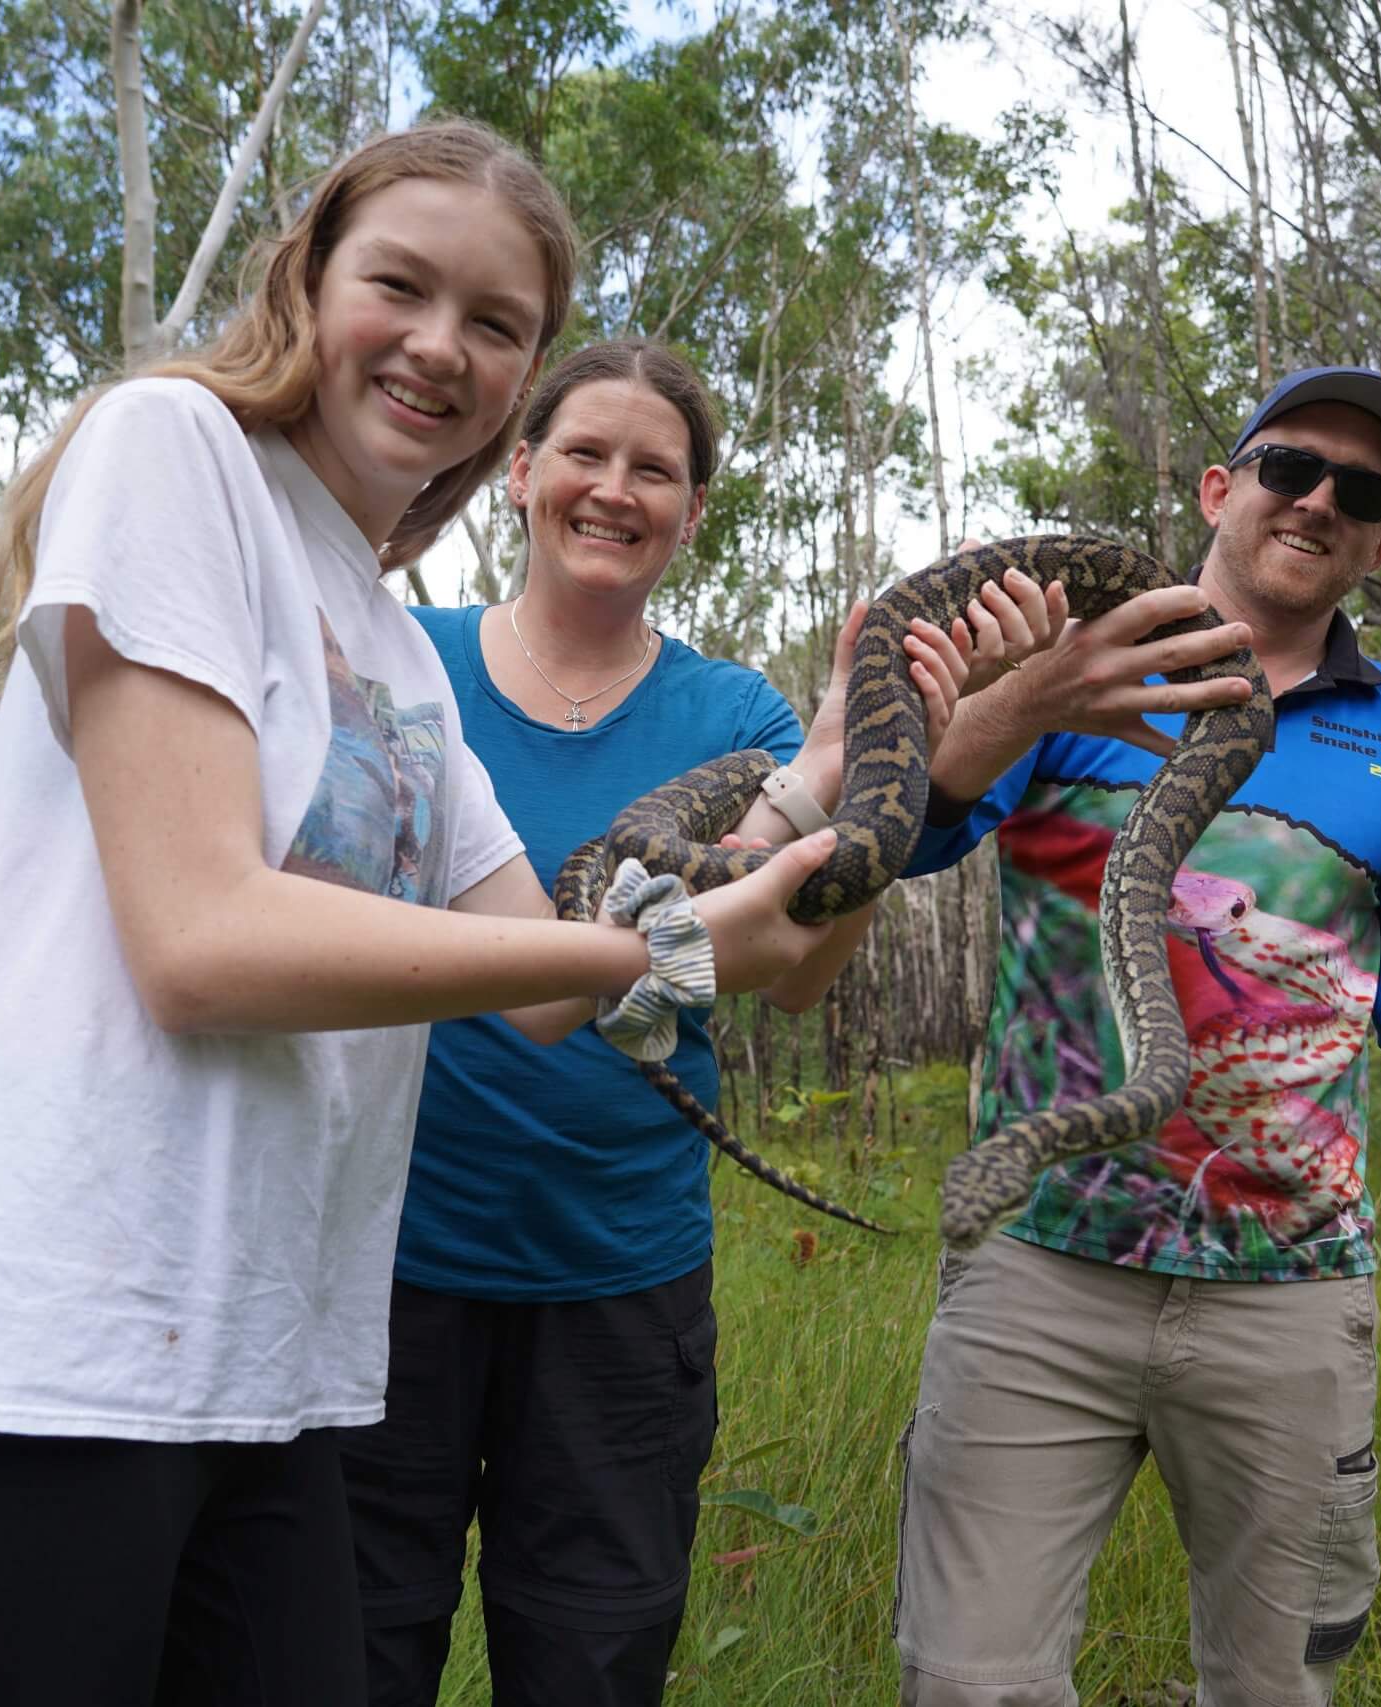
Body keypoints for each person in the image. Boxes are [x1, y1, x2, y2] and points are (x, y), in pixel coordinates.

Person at [0, 124, 847, 1707]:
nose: (442, 347)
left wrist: (831, 779)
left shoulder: (385, 635)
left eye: (498, 324)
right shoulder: (174, 451)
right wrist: (658, 951)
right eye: (402, 285)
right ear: (308, 280)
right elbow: (200, 943)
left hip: (272, 1367)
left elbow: (535, 973)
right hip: (61, 1348)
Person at [341, 337, 1017, 1707]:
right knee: (350, 1650)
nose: (615, 488)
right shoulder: (404, 658)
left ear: (693, 511)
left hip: (620, 1280)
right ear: (521, 470)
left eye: (656, 469)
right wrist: (719, 890)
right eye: (584, 452)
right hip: (380, 1263)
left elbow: (802, 975)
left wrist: (886, 770)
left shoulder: (744, 717)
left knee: (593, 1659)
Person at [889, 367, 1381, 1707]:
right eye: (1289, 468)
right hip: (1036, 1277)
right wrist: (1036, 692)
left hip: (1294, 1294)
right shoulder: (1084, 662)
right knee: (969, 1684)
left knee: (1276, 1688)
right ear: (1220, 486)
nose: (1316, 502)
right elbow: (901, 837)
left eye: (1360, 494)